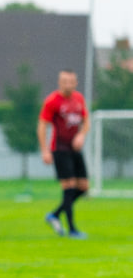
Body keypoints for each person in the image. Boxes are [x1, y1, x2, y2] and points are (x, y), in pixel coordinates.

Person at [38, 70, 90, 239]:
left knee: (83, 187)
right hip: (59, 149)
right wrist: (45, 150)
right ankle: (72, 229)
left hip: (74, 149)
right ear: (60, 83)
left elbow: (86, 120)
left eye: (71, 81)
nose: (68, 84)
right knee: (68, 187)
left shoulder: (79, 99)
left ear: (76, 83)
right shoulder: (52, 101)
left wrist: (81, 135)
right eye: (65, 81)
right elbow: (42, 126)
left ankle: (54, 214)